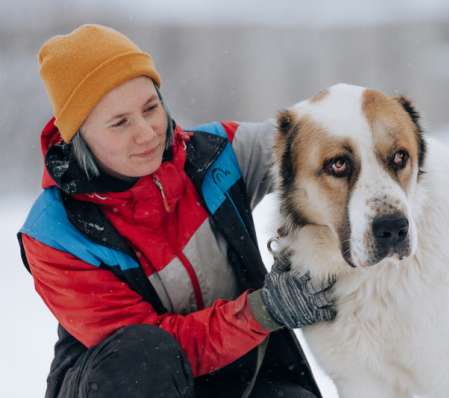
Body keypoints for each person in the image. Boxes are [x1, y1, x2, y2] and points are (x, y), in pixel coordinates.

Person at [17, 24, 336, 398]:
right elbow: (159, 353)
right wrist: (264, 310)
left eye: (151, 108)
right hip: (128, 385)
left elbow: (307, 143)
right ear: (78, 136)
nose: (148, 133)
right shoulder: (57, 234)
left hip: (239, 377)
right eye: (120, 123)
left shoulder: (215, 157)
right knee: (144, 355)